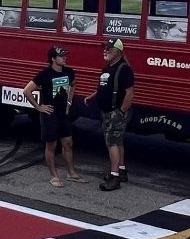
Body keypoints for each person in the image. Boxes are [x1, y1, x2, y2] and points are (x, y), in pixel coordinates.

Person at [23, 45, 81, 187]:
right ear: (53, 59)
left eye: (65, 55)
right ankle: (54, 176)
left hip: (64, 114)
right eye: (61, 56)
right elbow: (27, 90)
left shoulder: (69, 72)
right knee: (51, 145)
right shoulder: (45, 74)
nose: (65, 58)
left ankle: (71, 173)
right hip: (50, 114)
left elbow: (73, 84)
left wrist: (69, 101)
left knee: (68, 143)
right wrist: (39, 107)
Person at [94, 37, 135, 190]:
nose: (105, 50)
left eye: (109, 48)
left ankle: (114, 177)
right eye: (104, 48)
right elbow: (104, 87)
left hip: (115, 112)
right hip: (107, 111)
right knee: (117, 142)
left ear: (118, 51)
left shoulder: (123, 69)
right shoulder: (107, 68)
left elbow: (130, 93)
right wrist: (92, 96)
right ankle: (121, 170)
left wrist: (121, 112)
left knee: (112, 143)